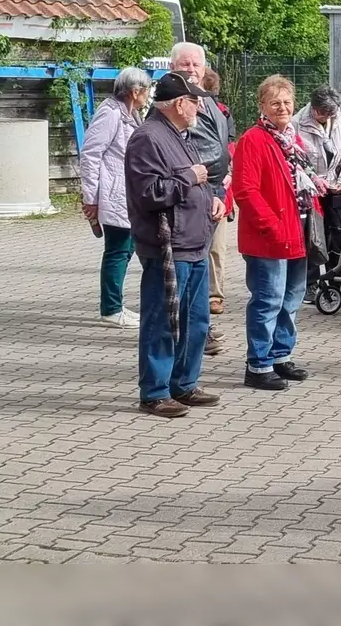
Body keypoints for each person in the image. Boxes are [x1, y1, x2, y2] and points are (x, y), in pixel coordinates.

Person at [124, 72, 226, 419]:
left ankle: (184, 384)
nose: (199, 105)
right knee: (162, 321)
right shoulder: (148, 138)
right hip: (167, 246)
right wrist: (189, 178)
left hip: (195, 241)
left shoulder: (181, 135)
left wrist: (214, 198)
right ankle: (154, 392)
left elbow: (202, 178)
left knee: (195, 321)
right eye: (195, 100)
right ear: (180, 104)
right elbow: (148, 193)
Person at [235, 76, 317, 393]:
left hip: (297, 232)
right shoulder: (254, 140)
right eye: (275, 103)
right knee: (267, 301)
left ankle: (280, 355)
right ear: (262, 106)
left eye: (286, 102)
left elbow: (305, 184)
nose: (282, 108)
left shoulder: (292, 140)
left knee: (291, 300)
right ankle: (258, 364)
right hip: (268, 237)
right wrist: (271, 225)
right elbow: (246, 190)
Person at [80, 67, 152, 328]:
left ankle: (115, 305)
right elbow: (90, 154)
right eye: (146, 90)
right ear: (135, 91)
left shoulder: (131, 115)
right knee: (118, 250)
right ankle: (110, 308)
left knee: (125, 248)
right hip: (113, 194)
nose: (148, 95)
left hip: (127, 194)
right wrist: (91, 197)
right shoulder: (110, 113)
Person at [168, 43, 233, 328]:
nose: (191, 69)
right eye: (185, 64)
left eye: (196, 64)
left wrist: (221, 188)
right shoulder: (171, 106)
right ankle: (184, 330)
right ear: (172, 68)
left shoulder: (212, 106)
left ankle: (199, 329)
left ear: (205, 69)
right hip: (185, 199)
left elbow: (220, 149)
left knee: (210, 257)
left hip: (214, 194)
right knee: (185, 268)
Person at [293, 85, 341, 295]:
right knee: (312, 236)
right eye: (323, 113)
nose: (326, 117)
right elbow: (296, 161)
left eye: (331, 113)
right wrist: (313, 182)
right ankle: (310, 283)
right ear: (314, 109)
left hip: (334, 185)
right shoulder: (297, 123)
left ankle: (340, 280)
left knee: (338, 234)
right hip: (310, 189)